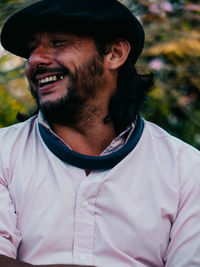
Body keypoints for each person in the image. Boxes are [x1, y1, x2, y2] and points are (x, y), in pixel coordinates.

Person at [0, 0, 200, 266]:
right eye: (31, 50)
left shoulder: (187, 170)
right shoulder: (4, 152)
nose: (35, 59)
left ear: (114, 53)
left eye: (59, 42)